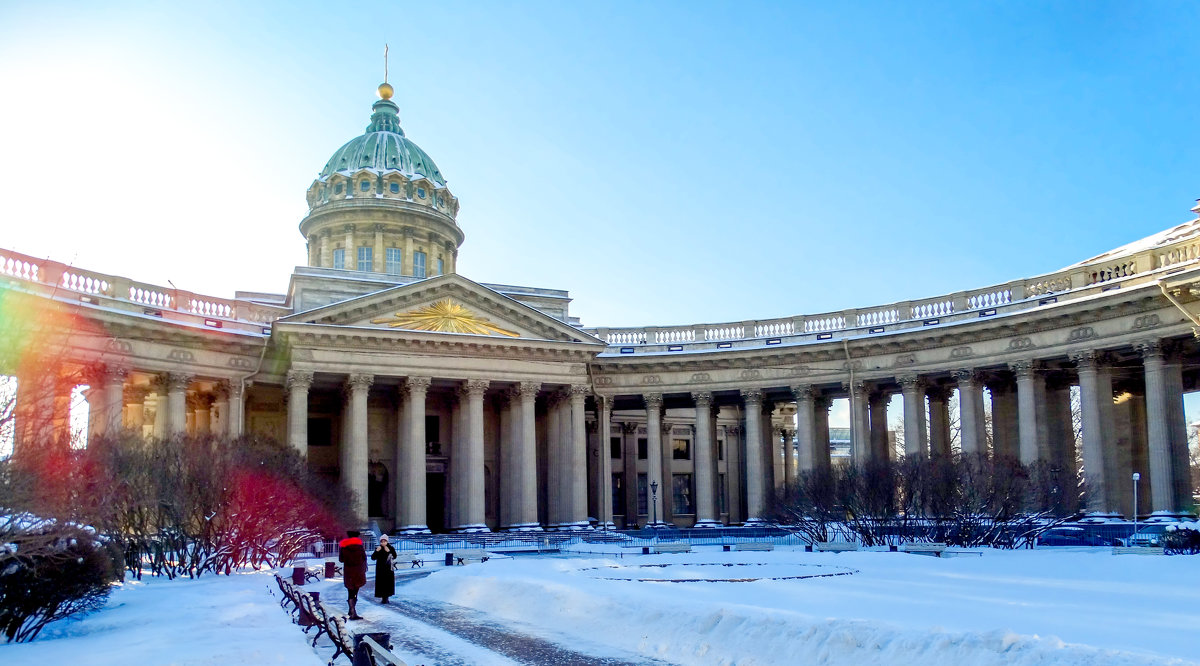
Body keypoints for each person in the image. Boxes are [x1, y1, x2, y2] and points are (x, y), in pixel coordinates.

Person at [338, 530, 368, 620]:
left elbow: (341, 559)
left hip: (349, 572)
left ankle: (351, 610)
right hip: (359, 572)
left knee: (350, 591)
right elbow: (364, 557)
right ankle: (353, 611)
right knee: (355, 592)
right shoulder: (360, 547)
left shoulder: (344, 547)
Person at [371, 534, 398, 604]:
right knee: (381, 583)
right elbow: (373, 557)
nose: (383, 543)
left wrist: (388, 551)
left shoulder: (390, 548)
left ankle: (386, 597)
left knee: (388, 583)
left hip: (388, 568)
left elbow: (394, 556)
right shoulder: (379, 548)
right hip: (380, 569)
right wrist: (376, 551)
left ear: (387, 541)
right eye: (381, 541)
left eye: (384, 541)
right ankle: (383, 597)